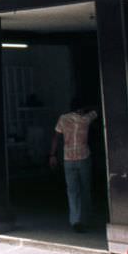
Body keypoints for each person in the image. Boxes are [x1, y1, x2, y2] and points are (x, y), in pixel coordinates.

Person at [50, 97, 98, 232]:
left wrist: (52, 155)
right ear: (82, 108)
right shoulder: (87, 118)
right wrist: (88, 107)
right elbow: (97, 110)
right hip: (83, 157)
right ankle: (86, 218)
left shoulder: (63, 119)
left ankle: (75, 220)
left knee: (72, 191)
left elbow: (56, 138)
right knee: (85, 189)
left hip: (68, 159)